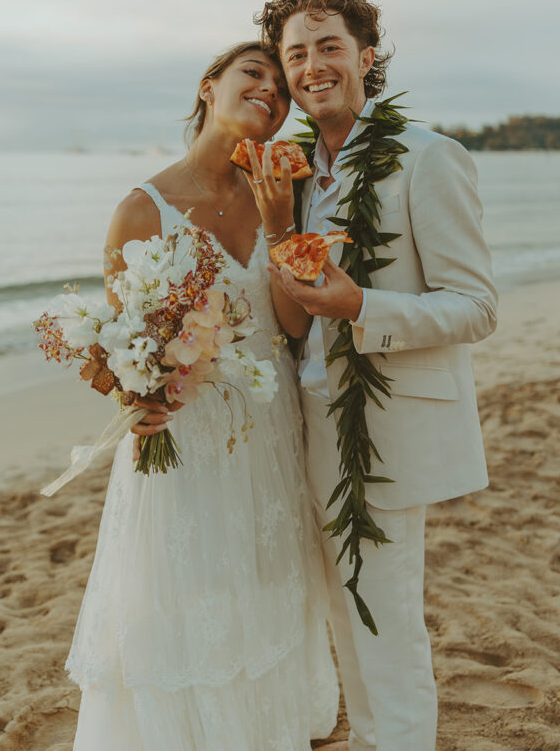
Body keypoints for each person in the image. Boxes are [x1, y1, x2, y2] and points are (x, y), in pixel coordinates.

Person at [67, 41, 339, 750]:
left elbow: (292, 323)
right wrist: (138, 399)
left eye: (281, 90)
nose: (271, 93)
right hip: (184, 436)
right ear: (208, 85)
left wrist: (281, 226)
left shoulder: (285, 192)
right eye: (255, 74)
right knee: (182, 603)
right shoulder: (141, 209)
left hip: (270, 421)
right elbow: (117, 349)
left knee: (264, 592)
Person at [254, 0, 498, 751]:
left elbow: (475, 306)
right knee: (341, 606)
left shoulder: (427, 159)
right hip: (308, 416)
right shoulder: (285, 171)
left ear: (365, 56)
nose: (313, 64)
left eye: (329, 46)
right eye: (297, 53)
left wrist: (361, 307)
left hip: (387, 427)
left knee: (384, 614)